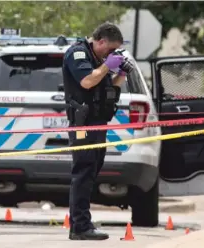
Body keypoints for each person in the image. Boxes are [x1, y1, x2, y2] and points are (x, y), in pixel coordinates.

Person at [62, 22, 127, 240]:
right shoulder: (78, 54)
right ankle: (80, 227)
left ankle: (82, 222)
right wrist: (108, 65)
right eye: (110, 49)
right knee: (83, 172)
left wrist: (122, 73)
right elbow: (87, 81)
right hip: (84, 124)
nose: (112, 54)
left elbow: (110, 89)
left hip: (99, 123)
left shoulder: (100, 61)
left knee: (91, 172)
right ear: (100, 41)